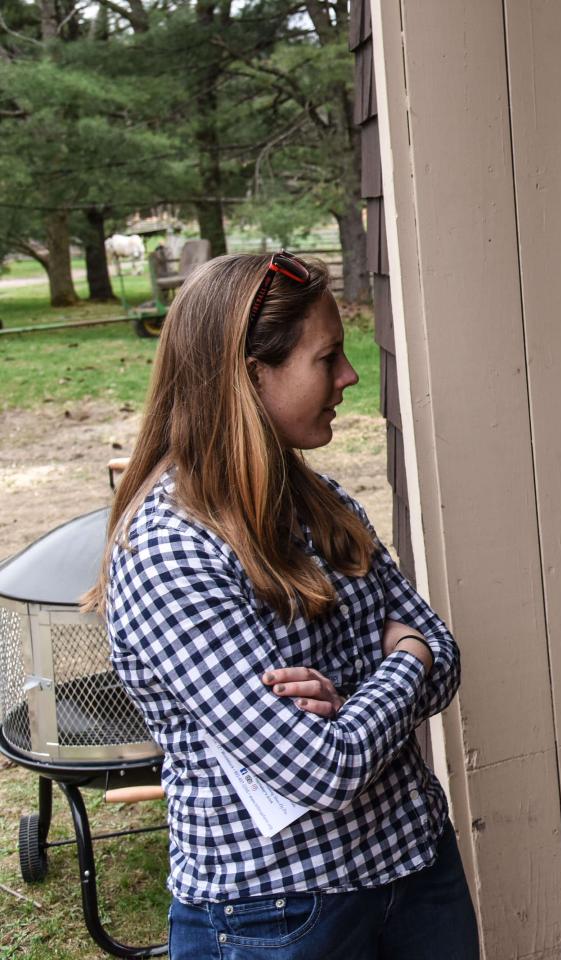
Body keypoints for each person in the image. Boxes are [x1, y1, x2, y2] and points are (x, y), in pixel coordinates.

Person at [86, 252, 478, 959]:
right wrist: (403, 660)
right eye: (327, 358)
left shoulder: (321, 503)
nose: (349, 376)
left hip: (413, 867)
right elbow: (322, 769)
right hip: (277, 915)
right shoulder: (171, 550)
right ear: (249, 376)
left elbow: (446, 660)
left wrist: (358, 698)